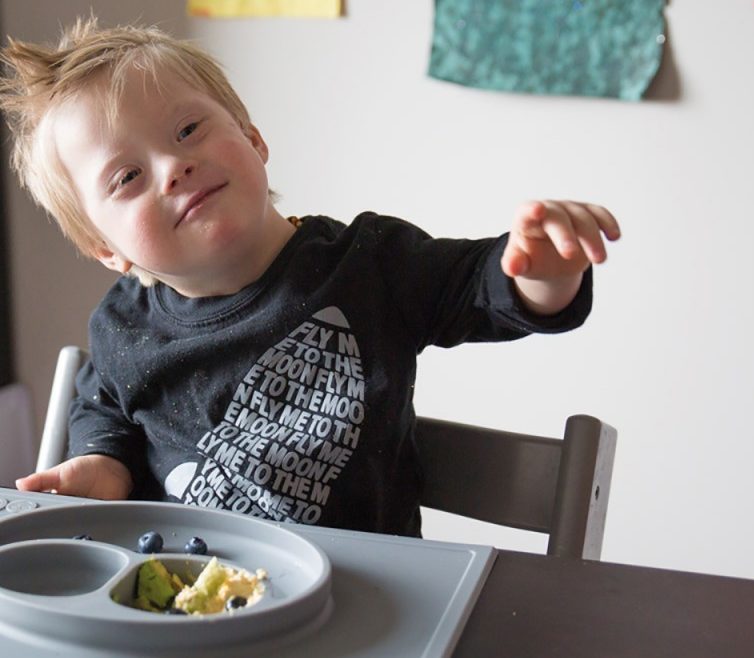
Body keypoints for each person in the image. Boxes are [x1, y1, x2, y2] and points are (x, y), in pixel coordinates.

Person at [0, 18, 620, 535]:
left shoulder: (369, 263)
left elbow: (478, 288)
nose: (174, 167)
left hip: (368, 598)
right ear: (104, 248)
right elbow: (103, 409)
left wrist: (539, 273)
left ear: (252, 137)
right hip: (196, 606)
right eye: (127, 177)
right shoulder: (121, 327)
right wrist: (102, 465)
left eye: (188, 130)